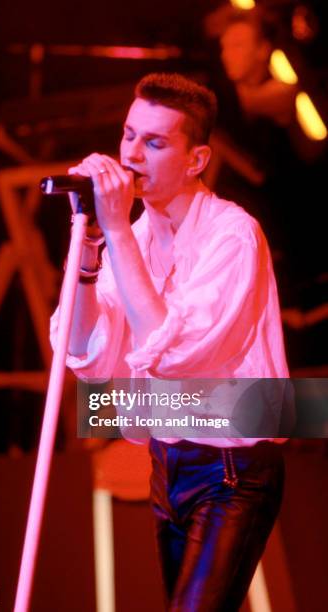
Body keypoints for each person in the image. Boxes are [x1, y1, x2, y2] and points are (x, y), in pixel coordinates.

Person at [50, 73, 289, 610]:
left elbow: (177, 352)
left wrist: (112, 231)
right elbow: (86, 349)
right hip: (166, 464)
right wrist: (90, 248)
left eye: (154, 143)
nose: (132, 154)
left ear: (196, 160)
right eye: (129, 135)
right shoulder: (127, 239)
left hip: (231, 472)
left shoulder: (233, 235)